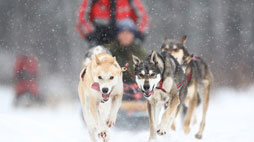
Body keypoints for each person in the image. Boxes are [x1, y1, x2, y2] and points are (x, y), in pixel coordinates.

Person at [76, 0, 150, 47]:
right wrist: (92, 36)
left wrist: (137, 35)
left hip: (125, 44)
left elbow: (144, 17)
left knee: (138, 65)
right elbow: (82, 19)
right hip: (100, 41)